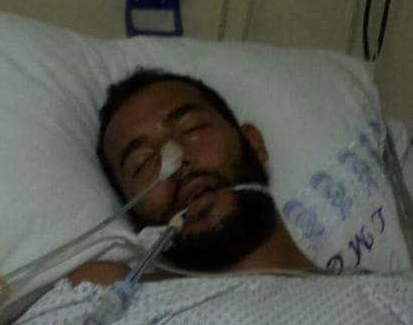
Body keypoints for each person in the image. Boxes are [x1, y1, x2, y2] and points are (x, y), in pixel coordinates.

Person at [68, 69, 314, 286]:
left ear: (253, 143)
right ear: (132, 215)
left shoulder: (340, 293)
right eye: (142, 162)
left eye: (192, 128)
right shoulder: (105, 299)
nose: (174, 162)